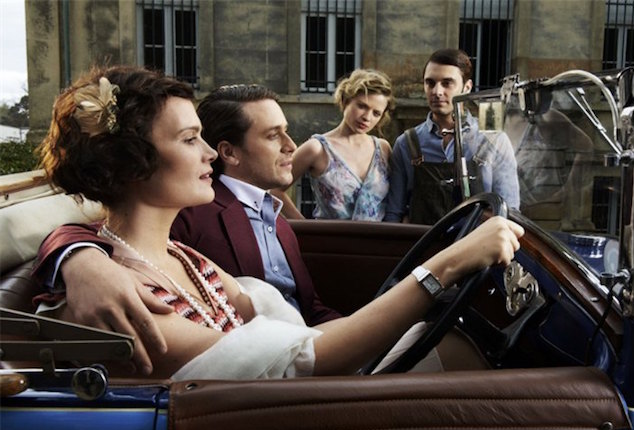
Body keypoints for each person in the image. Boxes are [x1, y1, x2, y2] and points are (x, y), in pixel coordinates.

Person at [36, 65, 523, 380]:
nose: (210, 154)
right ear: (132, 163)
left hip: (283, 399)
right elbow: (302, 360)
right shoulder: (120, 298)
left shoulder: (182, 257)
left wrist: (77, 257)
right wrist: (447, 265)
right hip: (268, 426)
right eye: (189, 140)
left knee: (459, 345)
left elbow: (282, 321)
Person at [33, 84, 343, 375]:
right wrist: (78, 258)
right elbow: (110, 231)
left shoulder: (266, 217)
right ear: (133, 161)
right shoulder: (190, 213)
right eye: (190, 139)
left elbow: (309, 308)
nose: (292, 146)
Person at [384, 49, 520, 225]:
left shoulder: (493, 141)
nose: (437, 91)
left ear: (467, 87)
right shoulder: (406, 144)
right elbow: (393, 214)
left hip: (478, 248)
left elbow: (509, 213)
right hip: (425, 249)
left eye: (447, 83)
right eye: (430, 83)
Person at [272, 69, 394, 221]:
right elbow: (274, 191)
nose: (367, 117)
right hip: (330, 241)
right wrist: (305, 227)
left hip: (378, 242)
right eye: (362, 106)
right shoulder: (317, 148)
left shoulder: (383, 149)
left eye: (376, 113)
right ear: (345, 100)